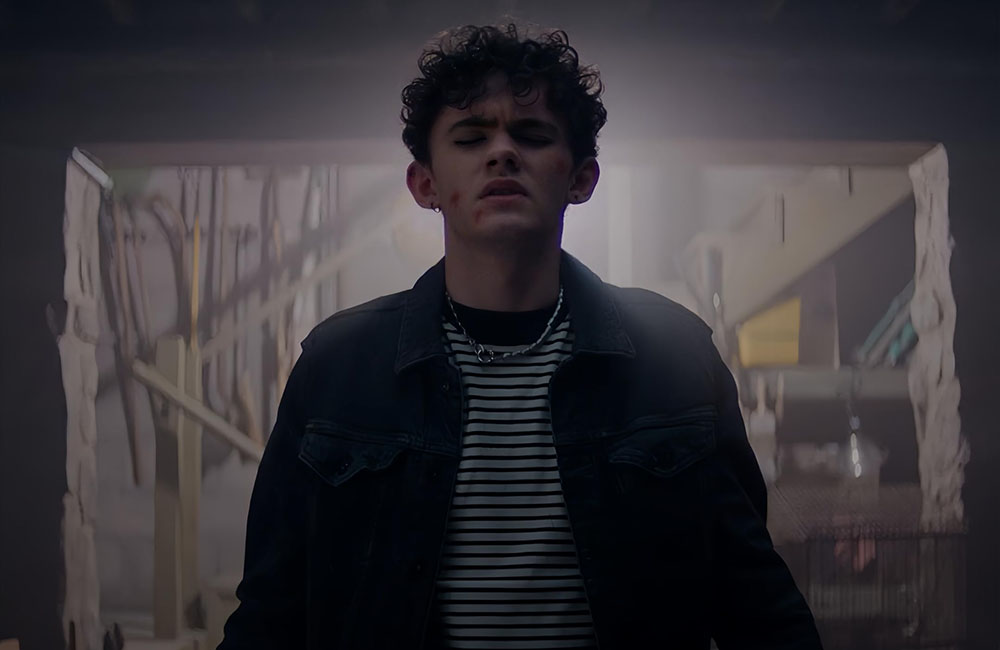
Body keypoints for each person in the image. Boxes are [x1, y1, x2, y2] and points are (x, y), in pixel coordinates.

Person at [219, 22, 822, 650]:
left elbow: (756, 600)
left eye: (532, 135)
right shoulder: (339, 367)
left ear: (581, 179)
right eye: (471, 137)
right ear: (424, 184)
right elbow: (270, 614)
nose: (502, 152)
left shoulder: (673, 354)